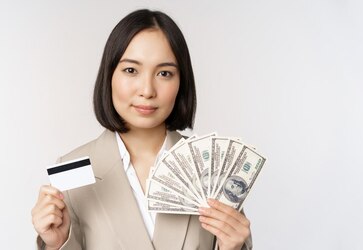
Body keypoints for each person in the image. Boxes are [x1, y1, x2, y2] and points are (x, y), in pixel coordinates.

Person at [31, 9, 253, 250]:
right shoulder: (73, 168)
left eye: (164, 73)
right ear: (109, 76)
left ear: (181, 82)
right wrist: (57, 244)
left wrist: (233, 248)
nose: (147, 90)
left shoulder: (211, 167)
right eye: (131, 70)